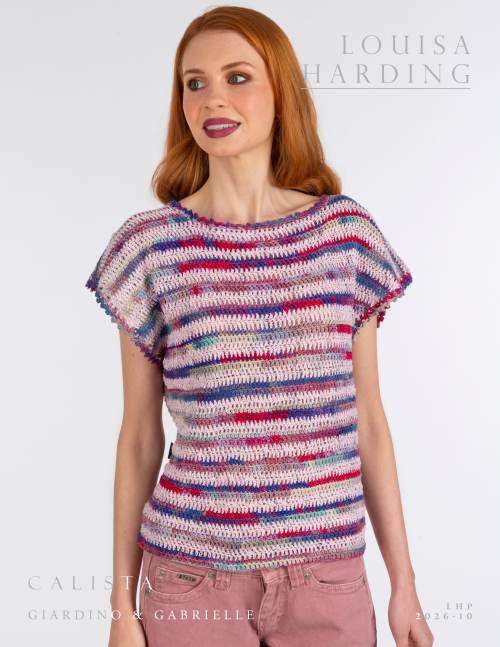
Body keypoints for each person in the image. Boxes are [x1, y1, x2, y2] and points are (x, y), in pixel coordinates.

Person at [85, 6, 434, 647]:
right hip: (190, 582)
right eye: (194, 83)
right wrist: (120, 606)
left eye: (237, 77)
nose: (212, 98)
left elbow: (369, 423)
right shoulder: (150, 249)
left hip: (328, 579)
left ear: (281, 92)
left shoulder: (344, 237)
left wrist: (404, 586)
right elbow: (138, 437)